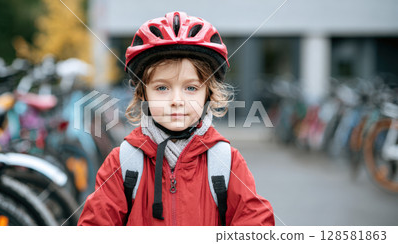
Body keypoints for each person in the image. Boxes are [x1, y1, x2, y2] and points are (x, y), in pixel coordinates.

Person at [78, 11, 274, 226]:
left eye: (191, 88)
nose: (177, 100)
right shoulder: (123, 162)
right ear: (142, 94)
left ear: (208, 94)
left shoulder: (226, 162)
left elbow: (255, 223)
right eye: (162, 88)